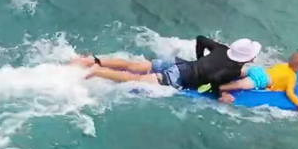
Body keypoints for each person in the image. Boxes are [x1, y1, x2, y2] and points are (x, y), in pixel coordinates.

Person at [70, 36, 262, 101]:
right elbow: (216, 84)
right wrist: (221, 95)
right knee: (133, 79)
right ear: (247, 57)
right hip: (177, 77)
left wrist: (200, 61)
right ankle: (96, 72)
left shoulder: (222, 49)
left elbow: (201, 39)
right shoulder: (233, 72)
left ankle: (93, 60)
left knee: (132, 65)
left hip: (177, 63)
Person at [219, 51, 298, 111]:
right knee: (239, 84)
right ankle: (222, 88)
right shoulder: (292, 77)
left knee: (240, 73)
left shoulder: (284, 65)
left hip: (258, 70)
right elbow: (290, 93)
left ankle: (222, 72)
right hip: (261, 79)